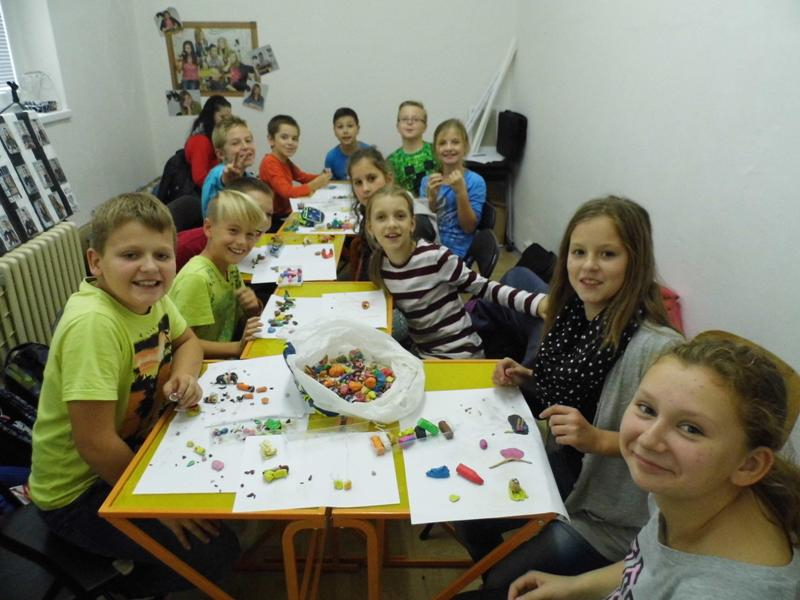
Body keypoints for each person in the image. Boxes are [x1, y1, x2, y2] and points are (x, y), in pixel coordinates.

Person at [454, 196, 683, 592]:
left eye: (607, 254)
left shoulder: (656, 348)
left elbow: (674, 450)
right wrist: (527, 377)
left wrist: (597, 439)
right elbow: (571, 391)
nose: (588, 265)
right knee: (469, 520)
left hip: (611, 511)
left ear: (635, 262)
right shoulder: (574, 313)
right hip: (565, 466)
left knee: (508, 582)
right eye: (579, 252)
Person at [27, 193, 239, 598]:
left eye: (162, 255)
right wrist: (151, 503)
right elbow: (95, 443)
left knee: (222, 485)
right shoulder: (94, 324)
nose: (149, 267)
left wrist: (184, 375)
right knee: (216, 552)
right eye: (130, 255)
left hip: (136, 449)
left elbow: (189, 342)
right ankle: (119, 582)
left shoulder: (152, 298)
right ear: (96, 262)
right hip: (79, 493)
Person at [505, 337, 800, 599]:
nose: (648, 440)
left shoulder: (719, 591)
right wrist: (574, 586)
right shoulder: (687, 494)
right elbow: (648, 563)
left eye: (690, 428)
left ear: (749, 465)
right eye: (647, 409)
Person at [364, 184, 546, 359]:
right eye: (381, 217)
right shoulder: (379, 265)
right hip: (424, 354)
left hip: (461, 354)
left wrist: (536, 303)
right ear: (370, 228)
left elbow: (486, 288)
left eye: (400, 216)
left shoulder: (436, 257)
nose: (391, 224)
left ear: (412, 223)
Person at [170, 190, 266, 358]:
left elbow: (239, 320)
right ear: (209, 228)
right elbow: (179, 344)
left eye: (250, 234)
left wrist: (253, 308)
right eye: (233, 230)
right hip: (201, 365)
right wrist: (237, 348)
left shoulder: (230, 266)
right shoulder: (197, 279)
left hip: (225, 356)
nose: (242, 242)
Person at [420, 118, 486, 258]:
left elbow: (468, 228)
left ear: (465, 147)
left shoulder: (475, 181)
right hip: (429, 246)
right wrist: (431, 200)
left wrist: (461, 192)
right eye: (442, 143)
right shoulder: (427, 182)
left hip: (457, 251)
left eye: (455, 142)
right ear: (435, 149)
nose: (449, 148)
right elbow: (423, 228)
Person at [176, 176, 273, 271]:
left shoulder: (245, 240)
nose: (263, 220)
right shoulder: (186, 249)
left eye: (268, 214)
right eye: (254, 211)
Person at [258, 114, 332, 230]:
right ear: (271, 140)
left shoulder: (285, 161)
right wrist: (315, 184)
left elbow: (302, 177)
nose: (290, 142)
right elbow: (287, 192)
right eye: (284, 137)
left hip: (287, 212)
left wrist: (322, 176)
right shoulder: (269, 163)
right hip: (274, 219)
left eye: (294, 139)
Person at [346, 146, 393, 281]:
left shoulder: (402, 218)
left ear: (388, 179)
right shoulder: (367, 211)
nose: (365, 188)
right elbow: (368, 261)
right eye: (358, 183)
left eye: (372, 178)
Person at [201, 115, 257, 216]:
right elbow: (222, 177)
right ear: (220, 154)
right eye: (235, 143)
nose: (245, 146)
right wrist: (226, 180)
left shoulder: (250, 178)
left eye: (248, 140)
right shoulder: (217, 172)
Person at [387, 100, 438, 194]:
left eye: (415, 119)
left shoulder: (437, 151)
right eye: (404, 119)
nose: (409, 122)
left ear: (425, 126)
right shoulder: (392, 161)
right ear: (397, 126)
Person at [184, 95, 232, 188]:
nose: (226, 122)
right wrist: (224, 182)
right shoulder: (200, 141)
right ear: (210, 116)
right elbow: (200, 178)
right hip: (207, 191)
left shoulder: (215, 135)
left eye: (229, 118)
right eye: (222, 117)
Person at [324, 107, 370, 180]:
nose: (345, 131)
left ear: (358, 129)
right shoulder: (331, 157)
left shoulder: (369, 152)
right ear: (334, 131)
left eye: (350, 126)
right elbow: (329, 183)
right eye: (340, 127)